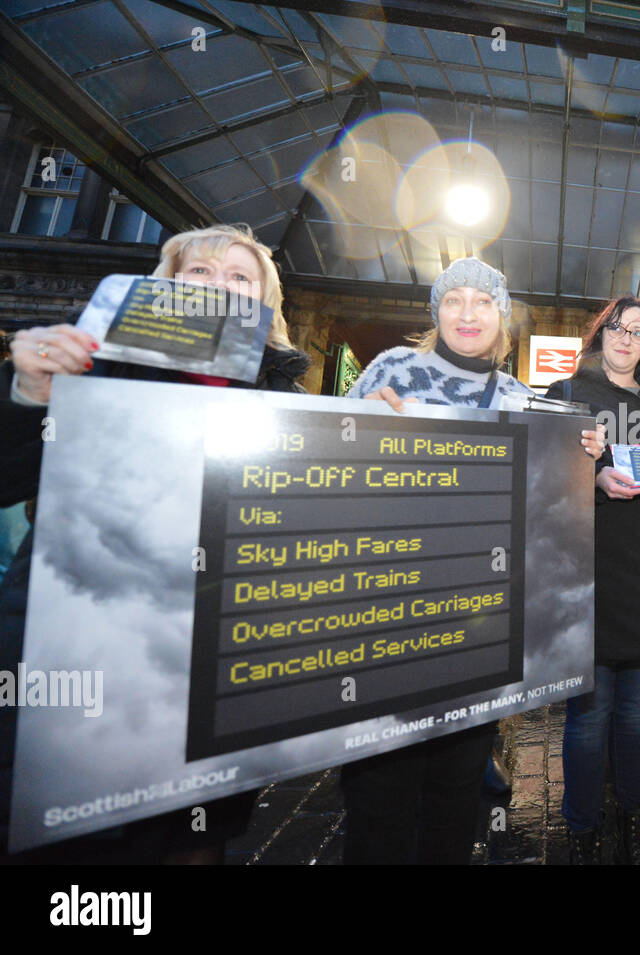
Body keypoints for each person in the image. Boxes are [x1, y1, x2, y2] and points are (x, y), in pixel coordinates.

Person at [1, 223, 311, 863]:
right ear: (163, 288)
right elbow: (9, 477)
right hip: (77, 652)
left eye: (239, 278)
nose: (219, 289)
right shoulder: (91, 365)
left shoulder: (286, 396)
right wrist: (30, 392)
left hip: (209, 662)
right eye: (199, 273)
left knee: (190, 840)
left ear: (265, 305)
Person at [343, 256, 604, 865]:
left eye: (482, 302)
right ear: (436, 312)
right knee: (379, 795)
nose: (467, 312)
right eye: (454, 299)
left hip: (471, 623)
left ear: (501, 316)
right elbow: (327, 474)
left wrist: (582, 455)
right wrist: (357, 426)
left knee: (455, 794)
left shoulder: (520, 398)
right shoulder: (391, 371)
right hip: (385, 618)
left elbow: (542, 507)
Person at [543, 296, 640, 864]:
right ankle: (582, 827)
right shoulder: (568, 394)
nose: (626, 338)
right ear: (600, 332)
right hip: (593, 577)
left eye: (638, 331)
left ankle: (635, 814)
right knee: (588, 717)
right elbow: (545, 477)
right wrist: (594, 477)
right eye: (617, 327)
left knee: (637, 713)